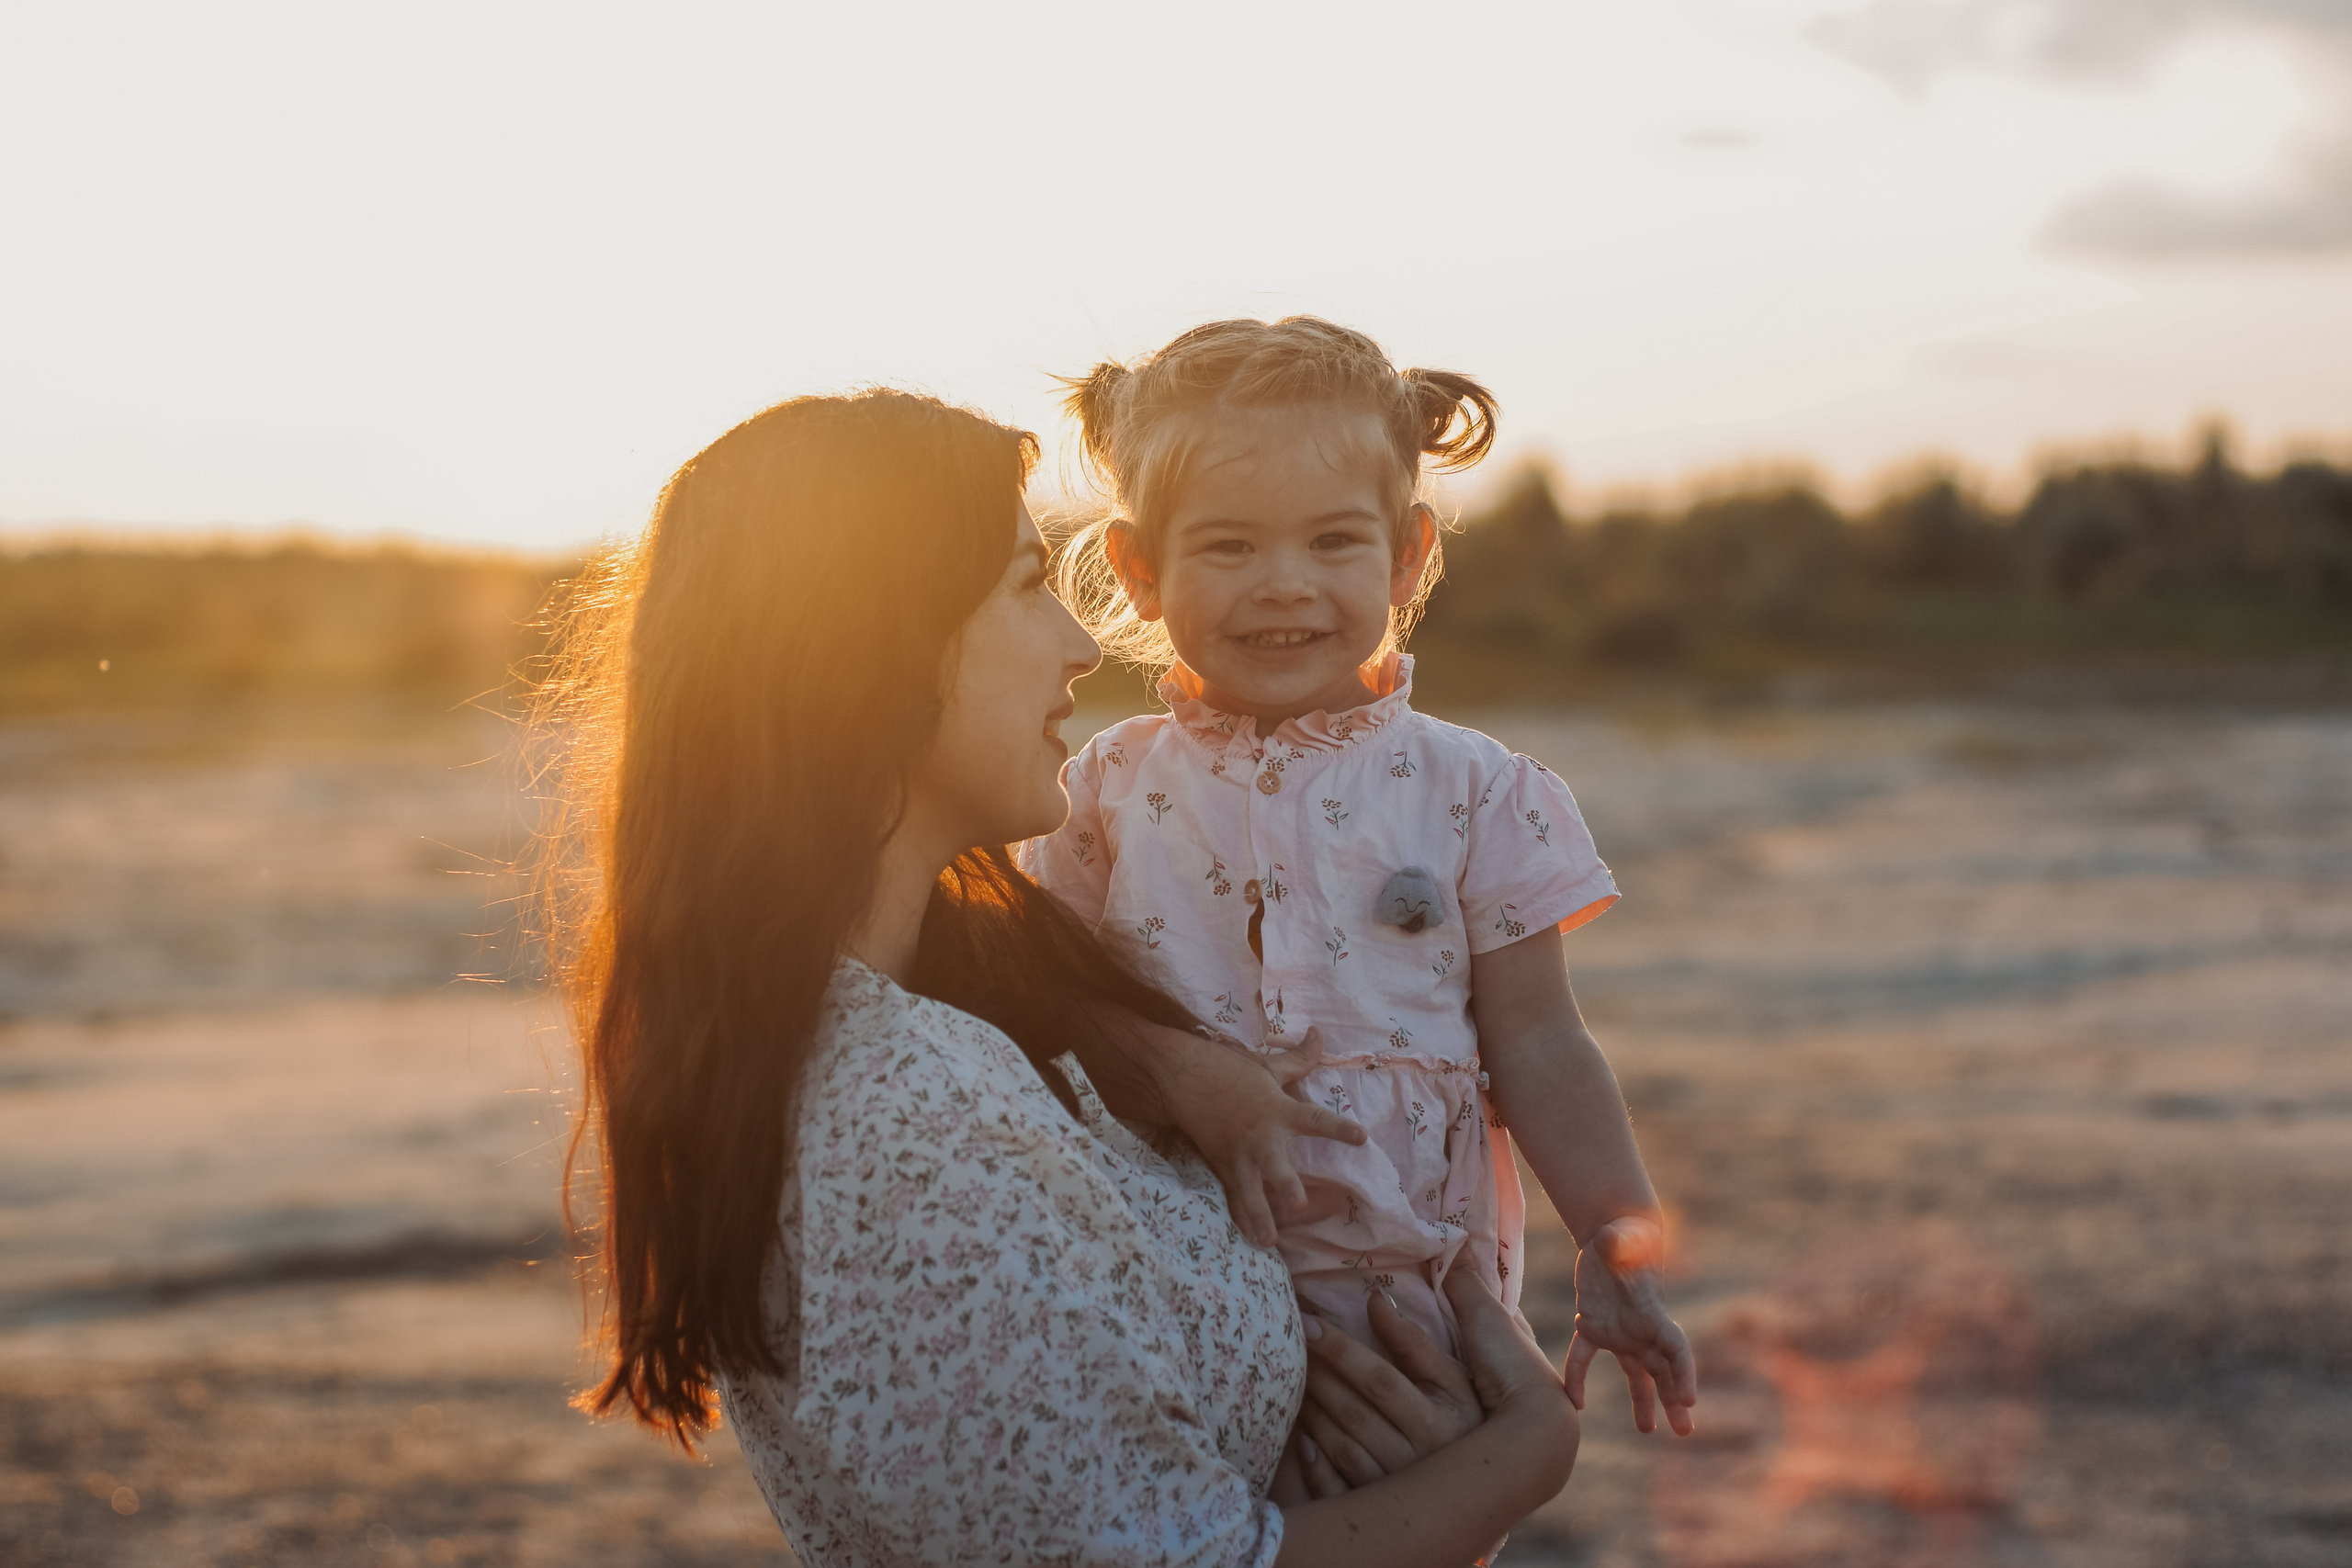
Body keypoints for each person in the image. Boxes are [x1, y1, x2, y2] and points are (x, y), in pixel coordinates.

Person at [540, 388, 1579, 1565]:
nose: (1084, 647)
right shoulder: (906, 1114)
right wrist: (1520, 1459)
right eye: (1031, 584)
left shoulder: (975, 995)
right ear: (871, 645)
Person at [1026, 317, 1700, 1439]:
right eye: (1229, 547)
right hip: (1173, 1299)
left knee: (1426, 1503)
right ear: (1141, 569)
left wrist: (1613, 1238)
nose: (1282, 586)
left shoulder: (1476, 791)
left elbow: (1540, 1043)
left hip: (1413, 1305)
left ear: (1405, 556)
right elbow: (1041, 1005)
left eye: (1333, 541)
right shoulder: (1103, 790)